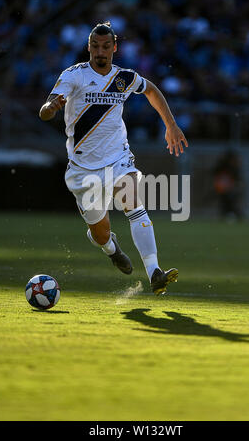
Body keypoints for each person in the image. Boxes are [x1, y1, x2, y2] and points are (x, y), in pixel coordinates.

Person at [39, 22, 188, 295]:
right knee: (101, 233)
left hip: (118, 158)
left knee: (133, 204)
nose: (100, 51)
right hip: (83, 169)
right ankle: (111, 248)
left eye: (106, 46)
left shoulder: (124, 78)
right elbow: (46, 110)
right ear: (88, 47)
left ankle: (155, 271)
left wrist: (170, 124)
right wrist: (51, 107)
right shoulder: (74, 76)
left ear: (114, 48)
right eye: (95, 46)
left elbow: (152, 90)